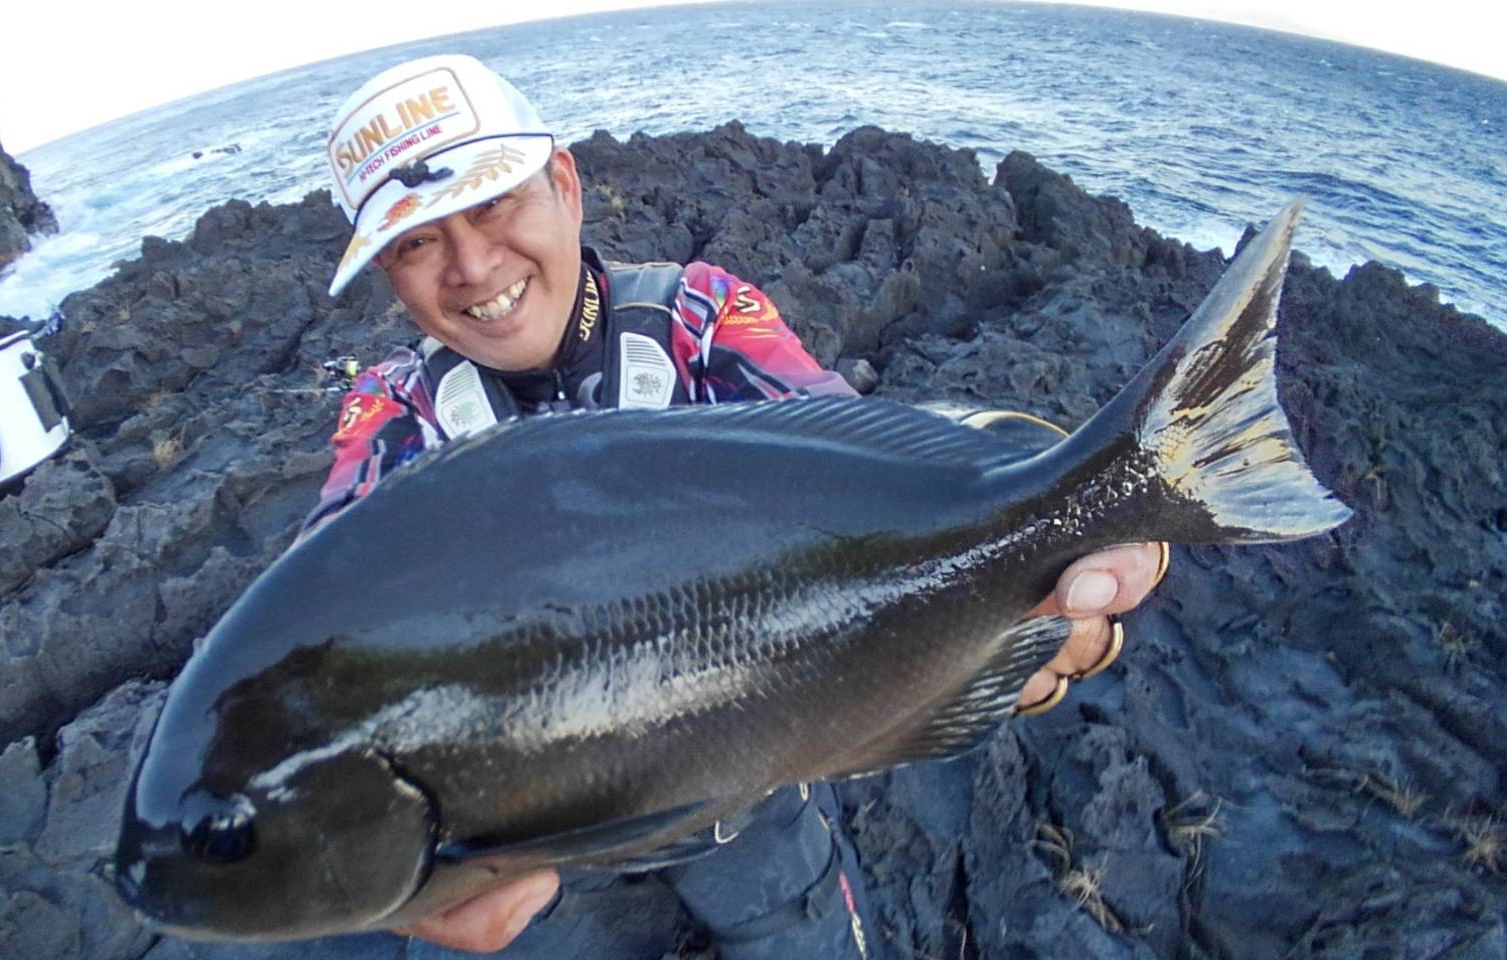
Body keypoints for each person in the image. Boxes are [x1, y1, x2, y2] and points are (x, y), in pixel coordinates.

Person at [309, 54, 1167, 958]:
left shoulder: (702, 318)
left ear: (563, 185)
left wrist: (1058, 494)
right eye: (415, 242)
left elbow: (853, 445)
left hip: (752, 804)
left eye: (493, 203)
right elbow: (322, 627)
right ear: (389, 277)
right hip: (545, 863)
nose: (473, 265)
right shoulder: (389, 416)